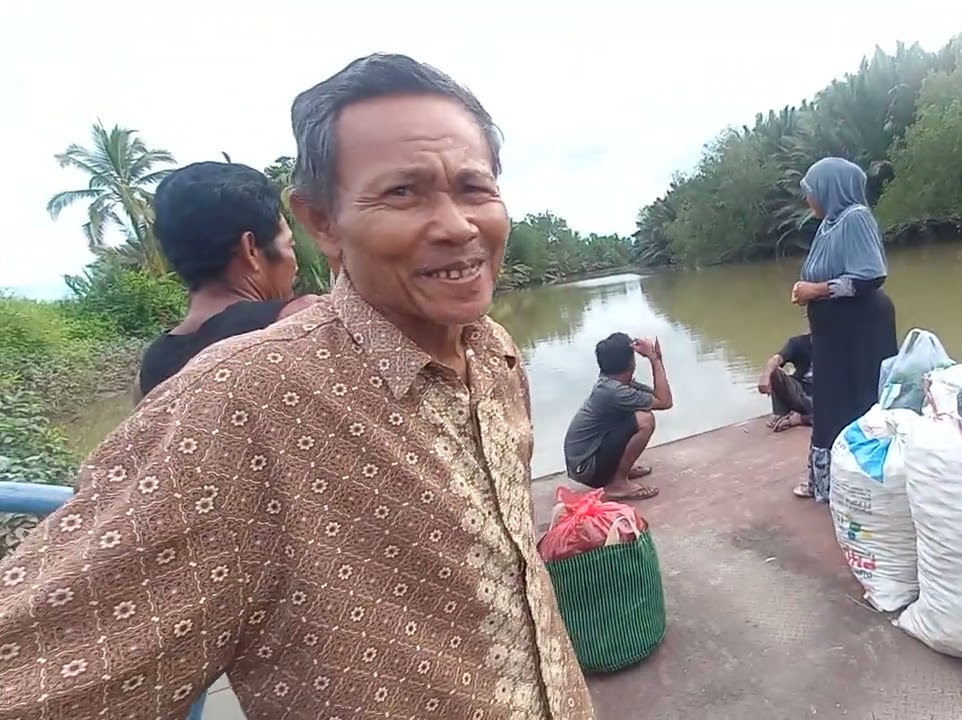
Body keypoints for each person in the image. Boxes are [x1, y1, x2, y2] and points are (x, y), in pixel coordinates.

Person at [0, 54, 594, 720]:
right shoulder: (236, 406)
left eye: (474, 188)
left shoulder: (494, 354)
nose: (457, 225)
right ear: (320, 221)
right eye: (403, 192)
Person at [135, 161, 320, 399]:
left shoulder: (149, 373)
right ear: (250, 249)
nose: (294, 262)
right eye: (289, 244)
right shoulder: (303, 320)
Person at [789, 157, 898, 501]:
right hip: (835, 333)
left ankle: (863, 481)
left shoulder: (855, 218)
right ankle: (832, 481)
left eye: (812, 191)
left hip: (861, 329)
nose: (809, 199)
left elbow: (870, 275)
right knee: (831, 400)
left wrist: (816, 291)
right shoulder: (828, 225)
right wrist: (806, 288)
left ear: (830, 189)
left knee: (858, 399)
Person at [563, 333, 673, 501]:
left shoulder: (612, 384)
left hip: (583, 465)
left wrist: (655, 358)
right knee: (645, 420)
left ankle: (619, 472)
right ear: (632, 363)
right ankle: (617, 485)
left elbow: (659, 397)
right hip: (586, 471)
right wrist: (654, 359)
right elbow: (665, 401)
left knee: (639, 414)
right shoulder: (615, 392)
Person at [757, 332, 814, 432]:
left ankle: (801, 418)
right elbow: (776, 359)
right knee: (773, 372)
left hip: (822, 398)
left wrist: (800, 420)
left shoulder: (838, 345)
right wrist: (765, 376)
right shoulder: (798, 342)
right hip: (800, 392)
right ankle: (781, 414)